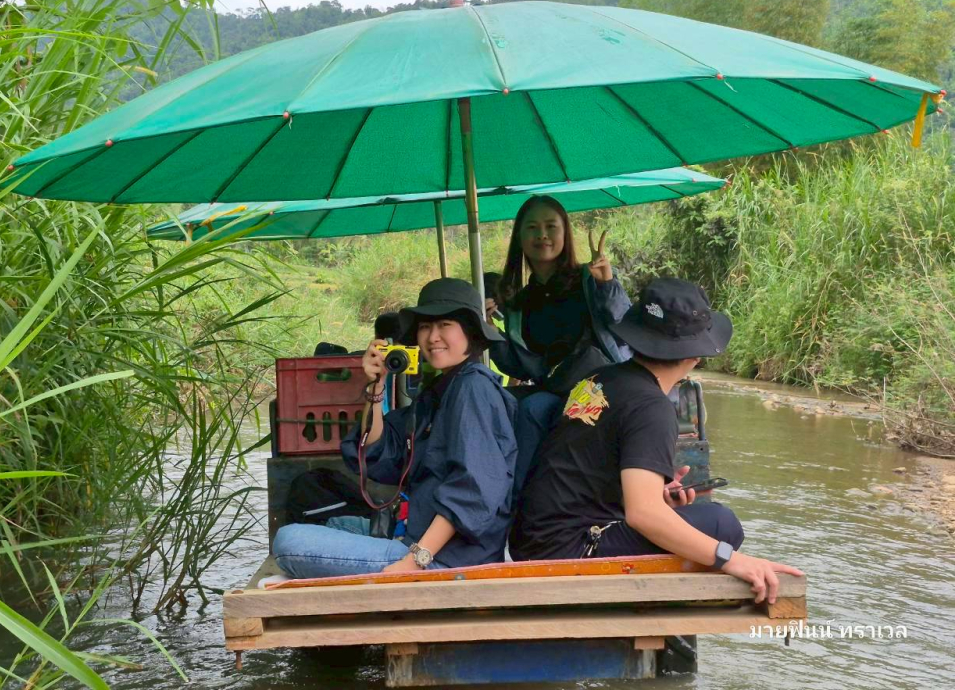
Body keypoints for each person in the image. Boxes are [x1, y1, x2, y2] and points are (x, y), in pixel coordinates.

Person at [510, 278, 803, 604]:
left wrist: (656, 494)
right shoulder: (652, 407)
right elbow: (643, 515)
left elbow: (587, 468)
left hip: (529, 541)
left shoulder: (602, 378)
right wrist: (733, 560)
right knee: (722, 525)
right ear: (695, 356)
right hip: (568, 551)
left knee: (689, 520)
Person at [272, 278, 517, 578]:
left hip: (448, 560)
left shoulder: (473, 388)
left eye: (445, 324)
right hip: (415, 537)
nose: (433, 336)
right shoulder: (440, 391)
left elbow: (474, 490)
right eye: (426, 327)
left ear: (471, 331)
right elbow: (381, 452)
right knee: (329, 523)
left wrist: (415, 561)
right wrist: (377, 386)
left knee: (289, 541)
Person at [485, 196, 633, 495]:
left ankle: (521, 501)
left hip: (602, 386)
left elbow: (625, 323)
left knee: (533, 409)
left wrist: (607, 283)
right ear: (520, 238)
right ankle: (487, 490)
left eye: (551, 226)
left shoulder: (588, 277)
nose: (542, 235)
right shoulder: (521, 300)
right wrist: (489, 331)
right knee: (491, 399)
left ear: (565, 234)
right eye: (533, 228)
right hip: (555, 385)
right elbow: (519, 366)